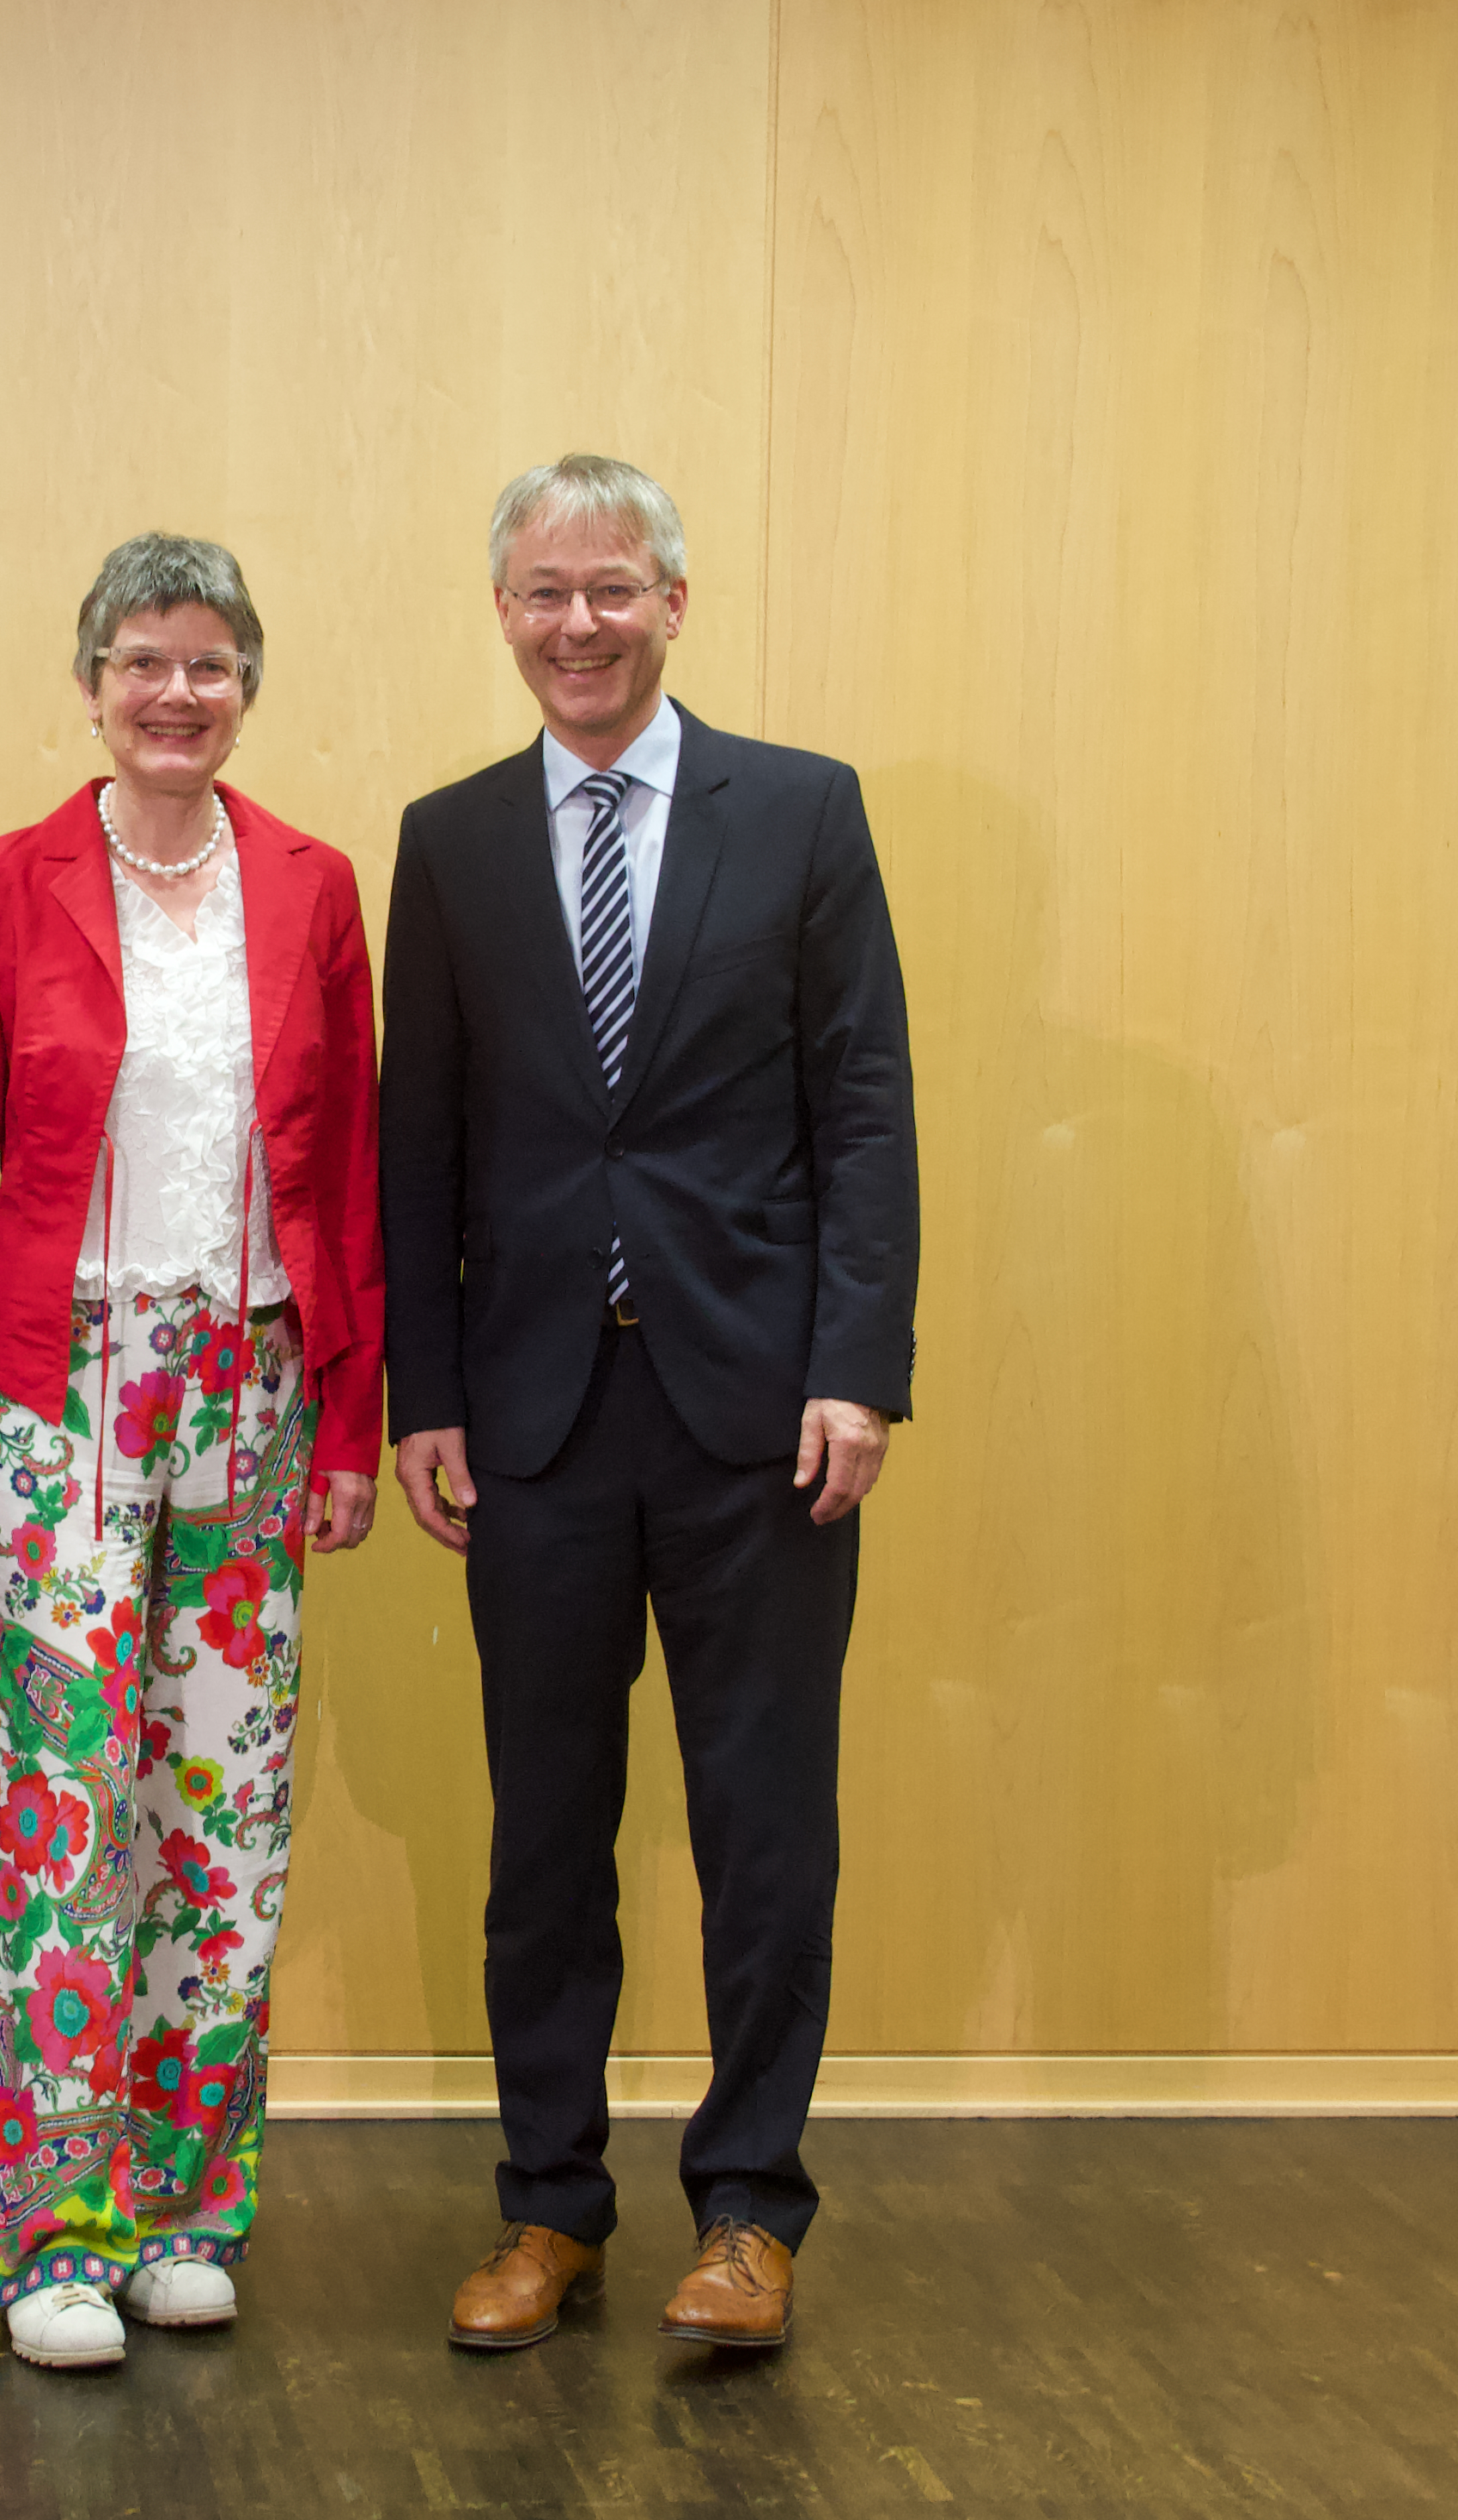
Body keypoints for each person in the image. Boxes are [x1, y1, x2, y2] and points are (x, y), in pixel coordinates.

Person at [381, 454, 918, 2353]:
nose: (577, 624)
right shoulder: (444, 839)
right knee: (545, 1837)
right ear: (504, 611)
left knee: (762, 1828)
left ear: (672, 603)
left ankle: (750, 2212)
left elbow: (861, 1102)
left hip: (756, 1408)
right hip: (526, 1415)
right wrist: (419, 1393)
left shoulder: (798, 812)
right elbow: (417, 1134)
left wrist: (858, 1361)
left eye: (611, 590)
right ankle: (549, 2209)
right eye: (543, 591)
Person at [0, 534, 384, 2371]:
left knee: (224, 1803)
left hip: (252, 1376)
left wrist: (342, 1414)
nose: (172, 692)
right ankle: (49, 2221)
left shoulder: (311, 882)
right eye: (139, 660)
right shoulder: (1, 884)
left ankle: (186, 2204)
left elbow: (338, 1164)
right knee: (63, 1802)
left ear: (243, 680)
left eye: (206, 662)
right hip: (60, 1383)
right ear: (89, 680)